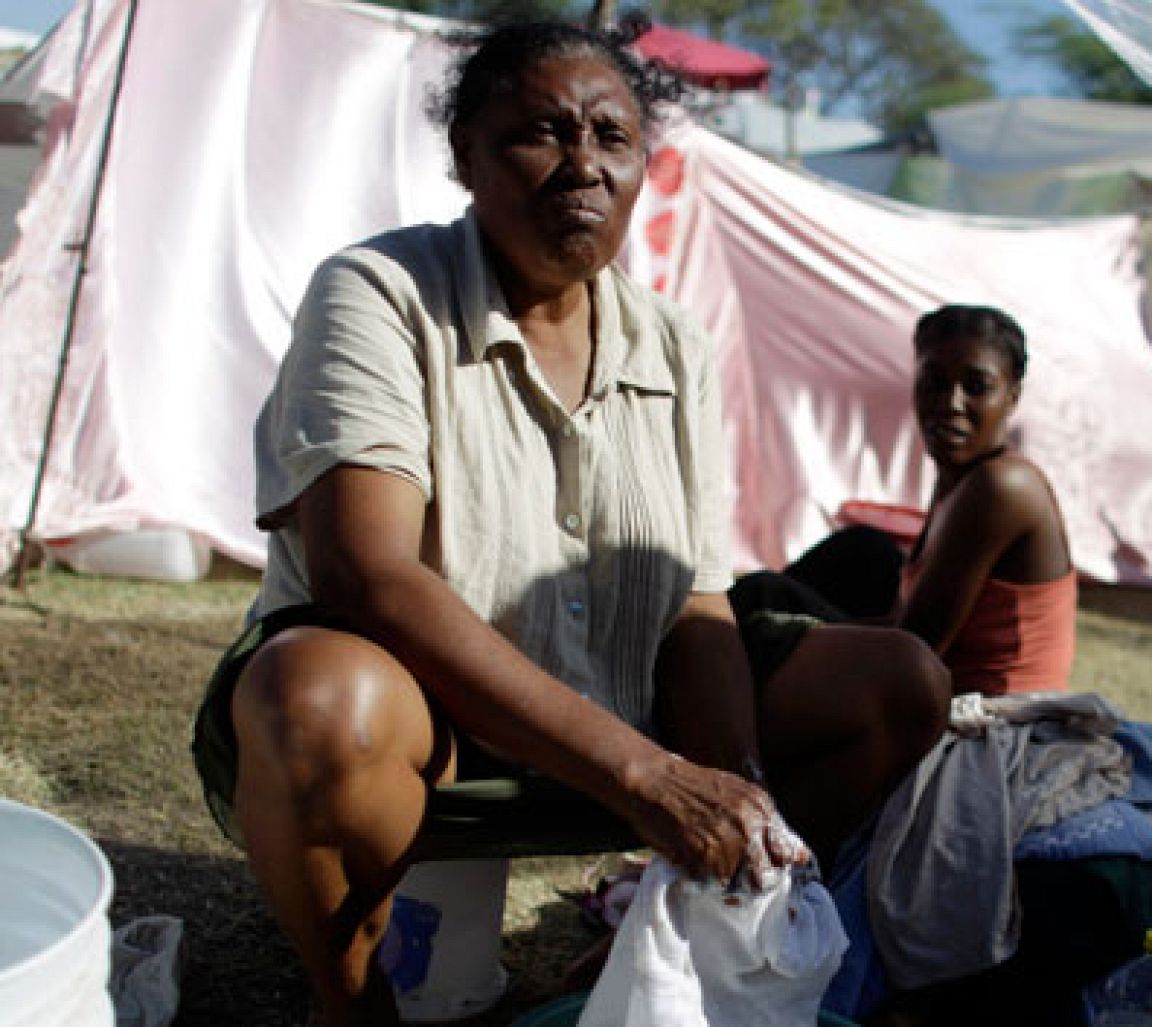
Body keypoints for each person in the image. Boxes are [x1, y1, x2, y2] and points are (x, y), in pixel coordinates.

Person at [189, 20, 948, 1026]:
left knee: (897, 685)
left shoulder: (673, 343)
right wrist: (646, 775)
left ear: (642, 165)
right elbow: (365, 573)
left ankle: (640, 953)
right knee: (323, 699)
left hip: (622, 704)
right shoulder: (380, 294)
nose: (582, 165)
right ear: (465, 155)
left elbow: (695, 599)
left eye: (611, 136)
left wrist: (733, 791)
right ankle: (349, 998)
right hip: (437, 725)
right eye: (540, 132)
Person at [734, 304, 1077, 697]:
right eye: (934, 382)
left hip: (990, 721)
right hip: (933, 679)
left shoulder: (1002, 485)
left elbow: (915, 646)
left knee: (764, 598)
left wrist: (783, 623)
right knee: (865, 551)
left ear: (1012, 396)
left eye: (976, 387)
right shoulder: (958, 478)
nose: (951, 403)